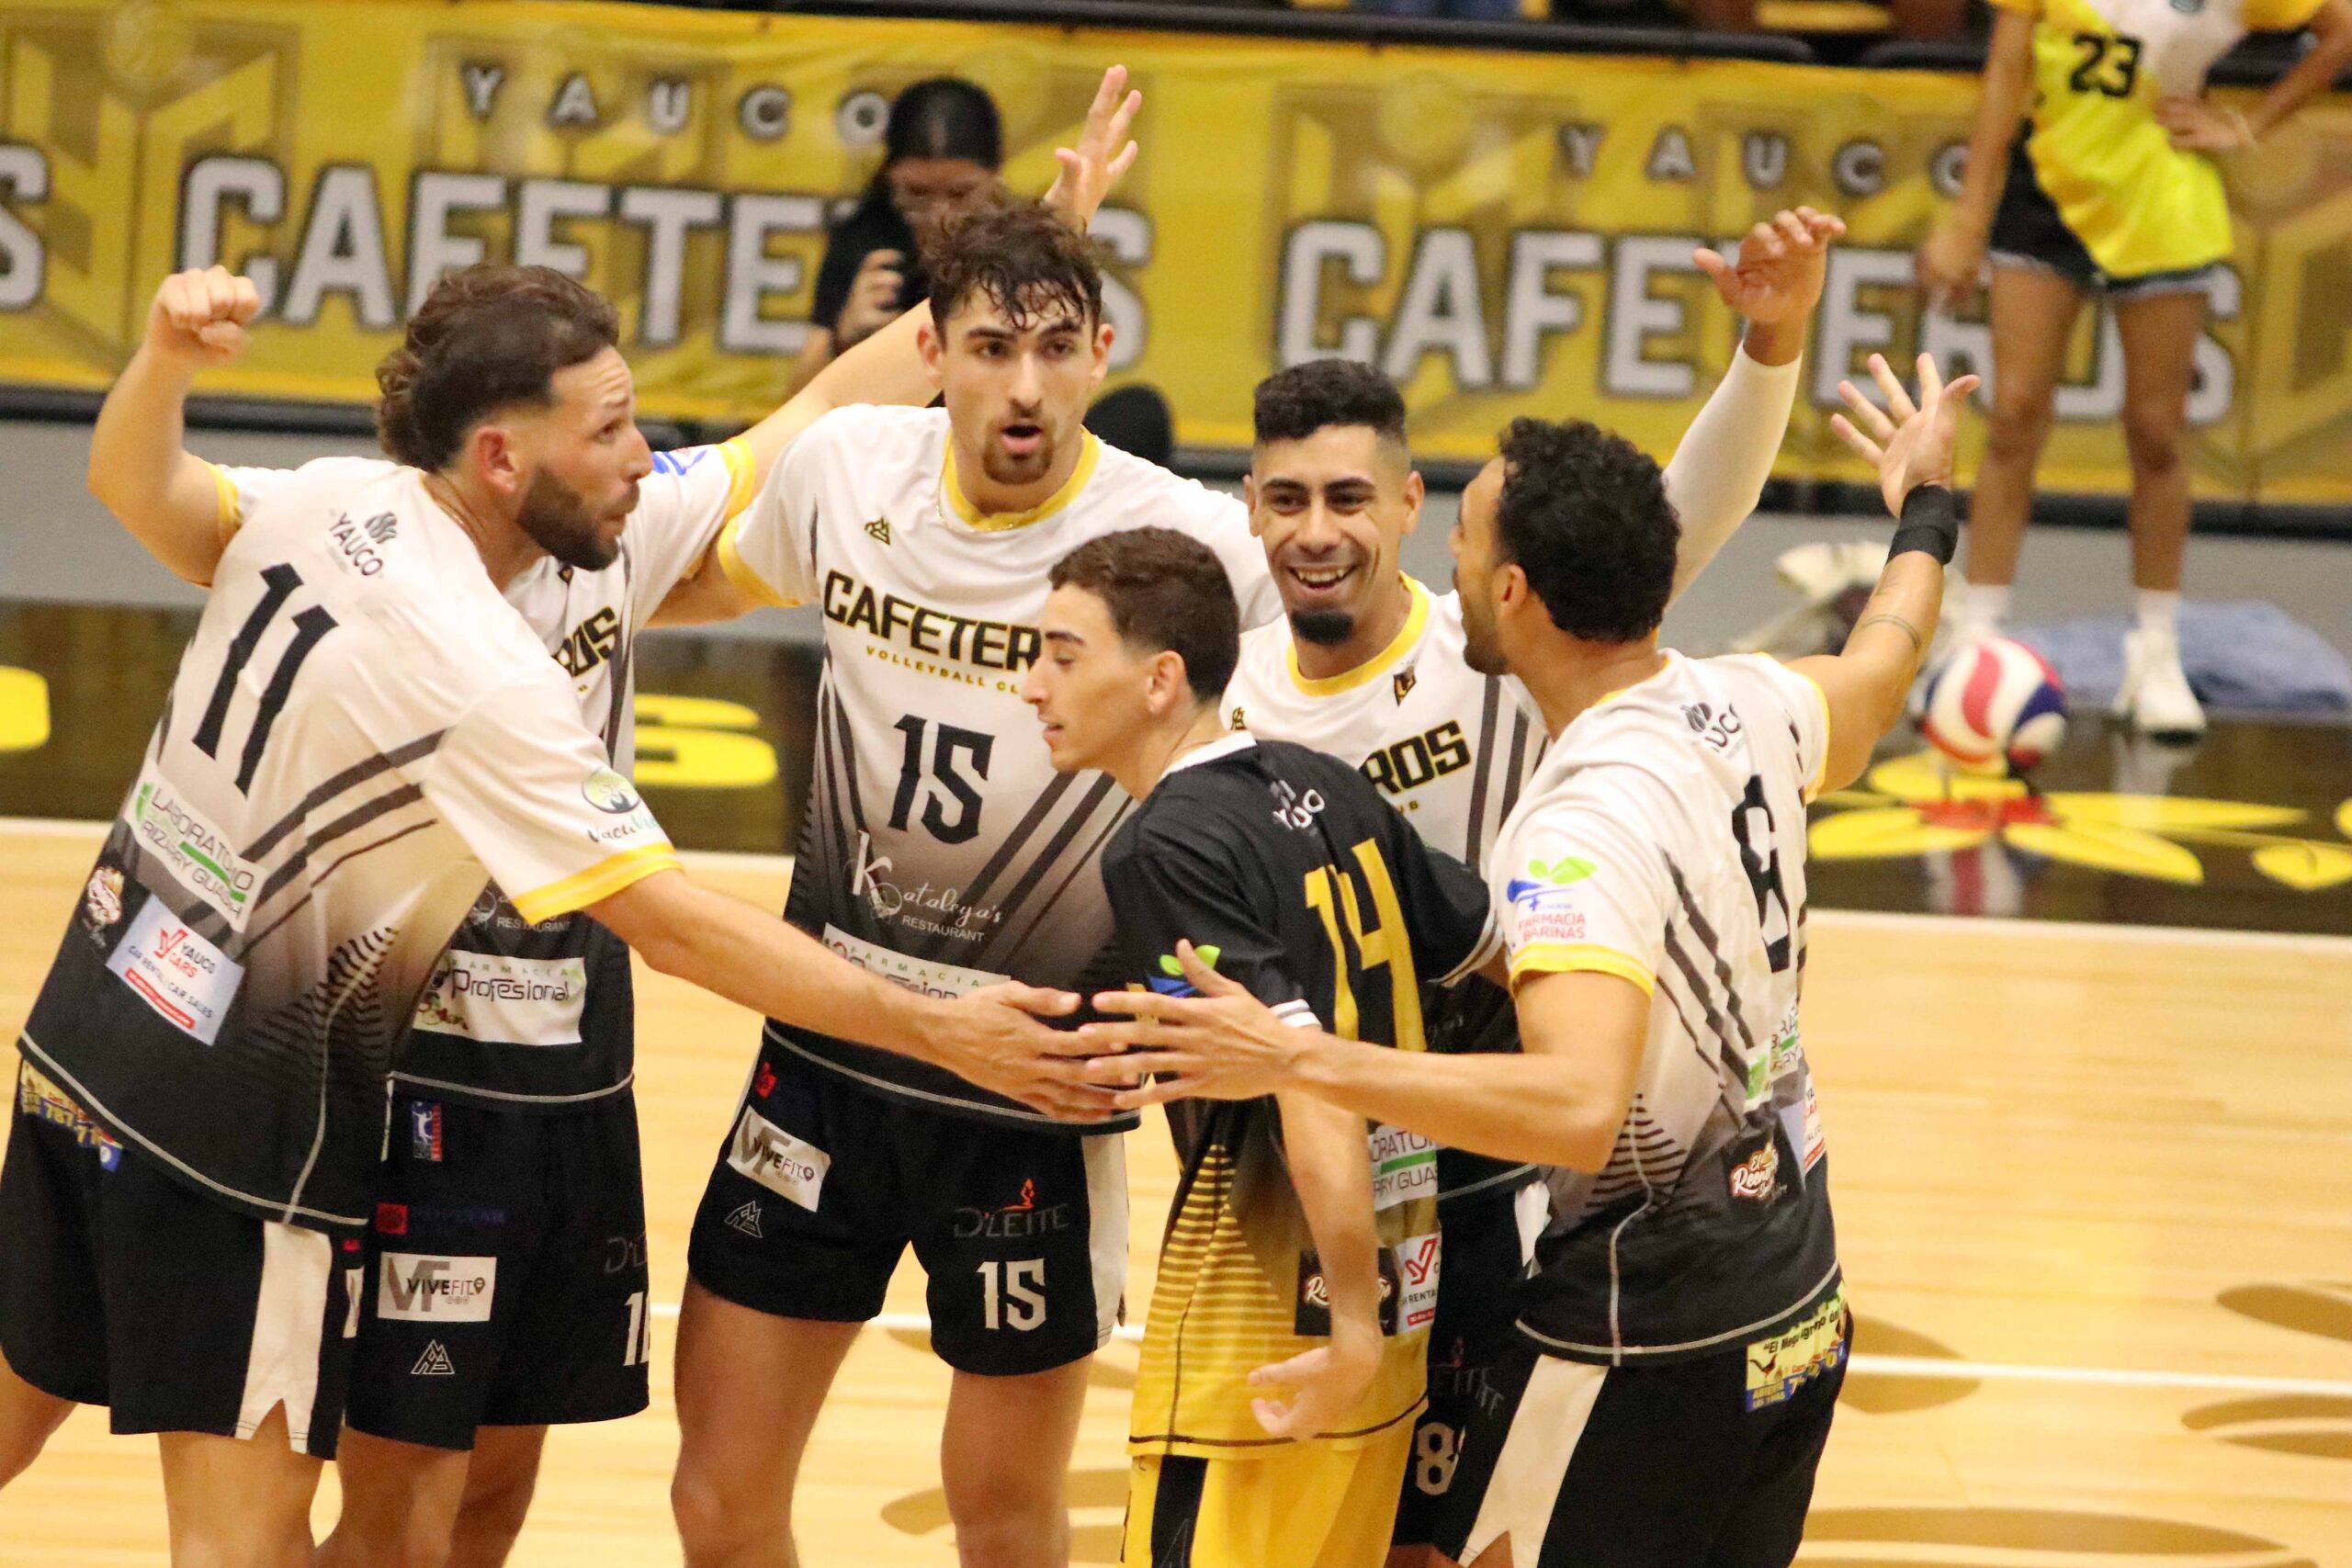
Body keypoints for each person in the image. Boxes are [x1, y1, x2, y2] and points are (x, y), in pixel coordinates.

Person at [52, 71, 1146, 1568]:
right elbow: (674, 918)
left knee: (500, 1483)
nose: (646, 452)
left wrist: (1029, 251)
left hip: (573, 1072)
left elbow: (824, 405)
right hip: (413, 1061)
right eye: (614, 423)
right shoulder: (430, 621)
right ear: (509, 448)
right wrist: (937, 1026)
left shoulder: (607, 531)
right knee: (396, 1500)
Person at [1080, 352, 1980, 1566]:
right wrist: (1927, 510)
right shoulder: (1753, 700)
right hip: (1797, 1302)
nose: (1446, 562)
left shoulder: (1574, 832)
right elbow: (1884, 656)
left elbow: (1574, 1106)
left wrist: (1297, 1055)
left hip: (1645, 1332)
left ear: (1512, 591)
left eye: (1463, 541)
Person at [1222, 208, 1841, 1564]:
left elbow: (1688, 506)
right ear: (1248, 511)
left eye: (1348, 500)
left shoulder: (1494, 640)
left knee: (1453, 1541)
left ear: (1410, 510)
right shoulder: (1228, 705)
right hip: (1318, 1179)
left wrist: (1770, 345)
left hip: (1503, 1171)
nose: (1318, 533)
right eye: (1287, 501)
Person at [1023, 526, 1502, 1568]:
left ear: (1158, 681)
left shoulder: (1162, 846)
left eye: (1062, 655)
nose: (1033, 686)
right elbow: (1493, 948)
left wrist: (1348, 1326)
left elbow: (1304, 1078)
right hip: (1400, 1287)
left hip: (1269, 1334)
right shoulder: (1325, 781)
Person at [1916, 0, 2352, 739]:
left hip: (2163, 207)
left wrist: (2248, 125)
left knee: (2156, 433)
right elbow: (2007, 70)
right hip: (2045, 195)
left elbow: (2339, 30)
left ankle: (2155, 651)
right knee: (2013, 416)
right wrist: (1967, 217)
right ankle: (1978, 632)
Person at [786, 69, 1175, 466]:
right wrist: (842, 339)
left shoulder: (1022, 240)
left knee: (1139, 414)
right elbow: (795, 414)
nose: (939, 214)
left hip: (1012, 439)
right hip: (901, 458)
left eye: (961, 193)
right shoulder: (867, 239)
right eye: (916, 193)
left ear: (994, 179)